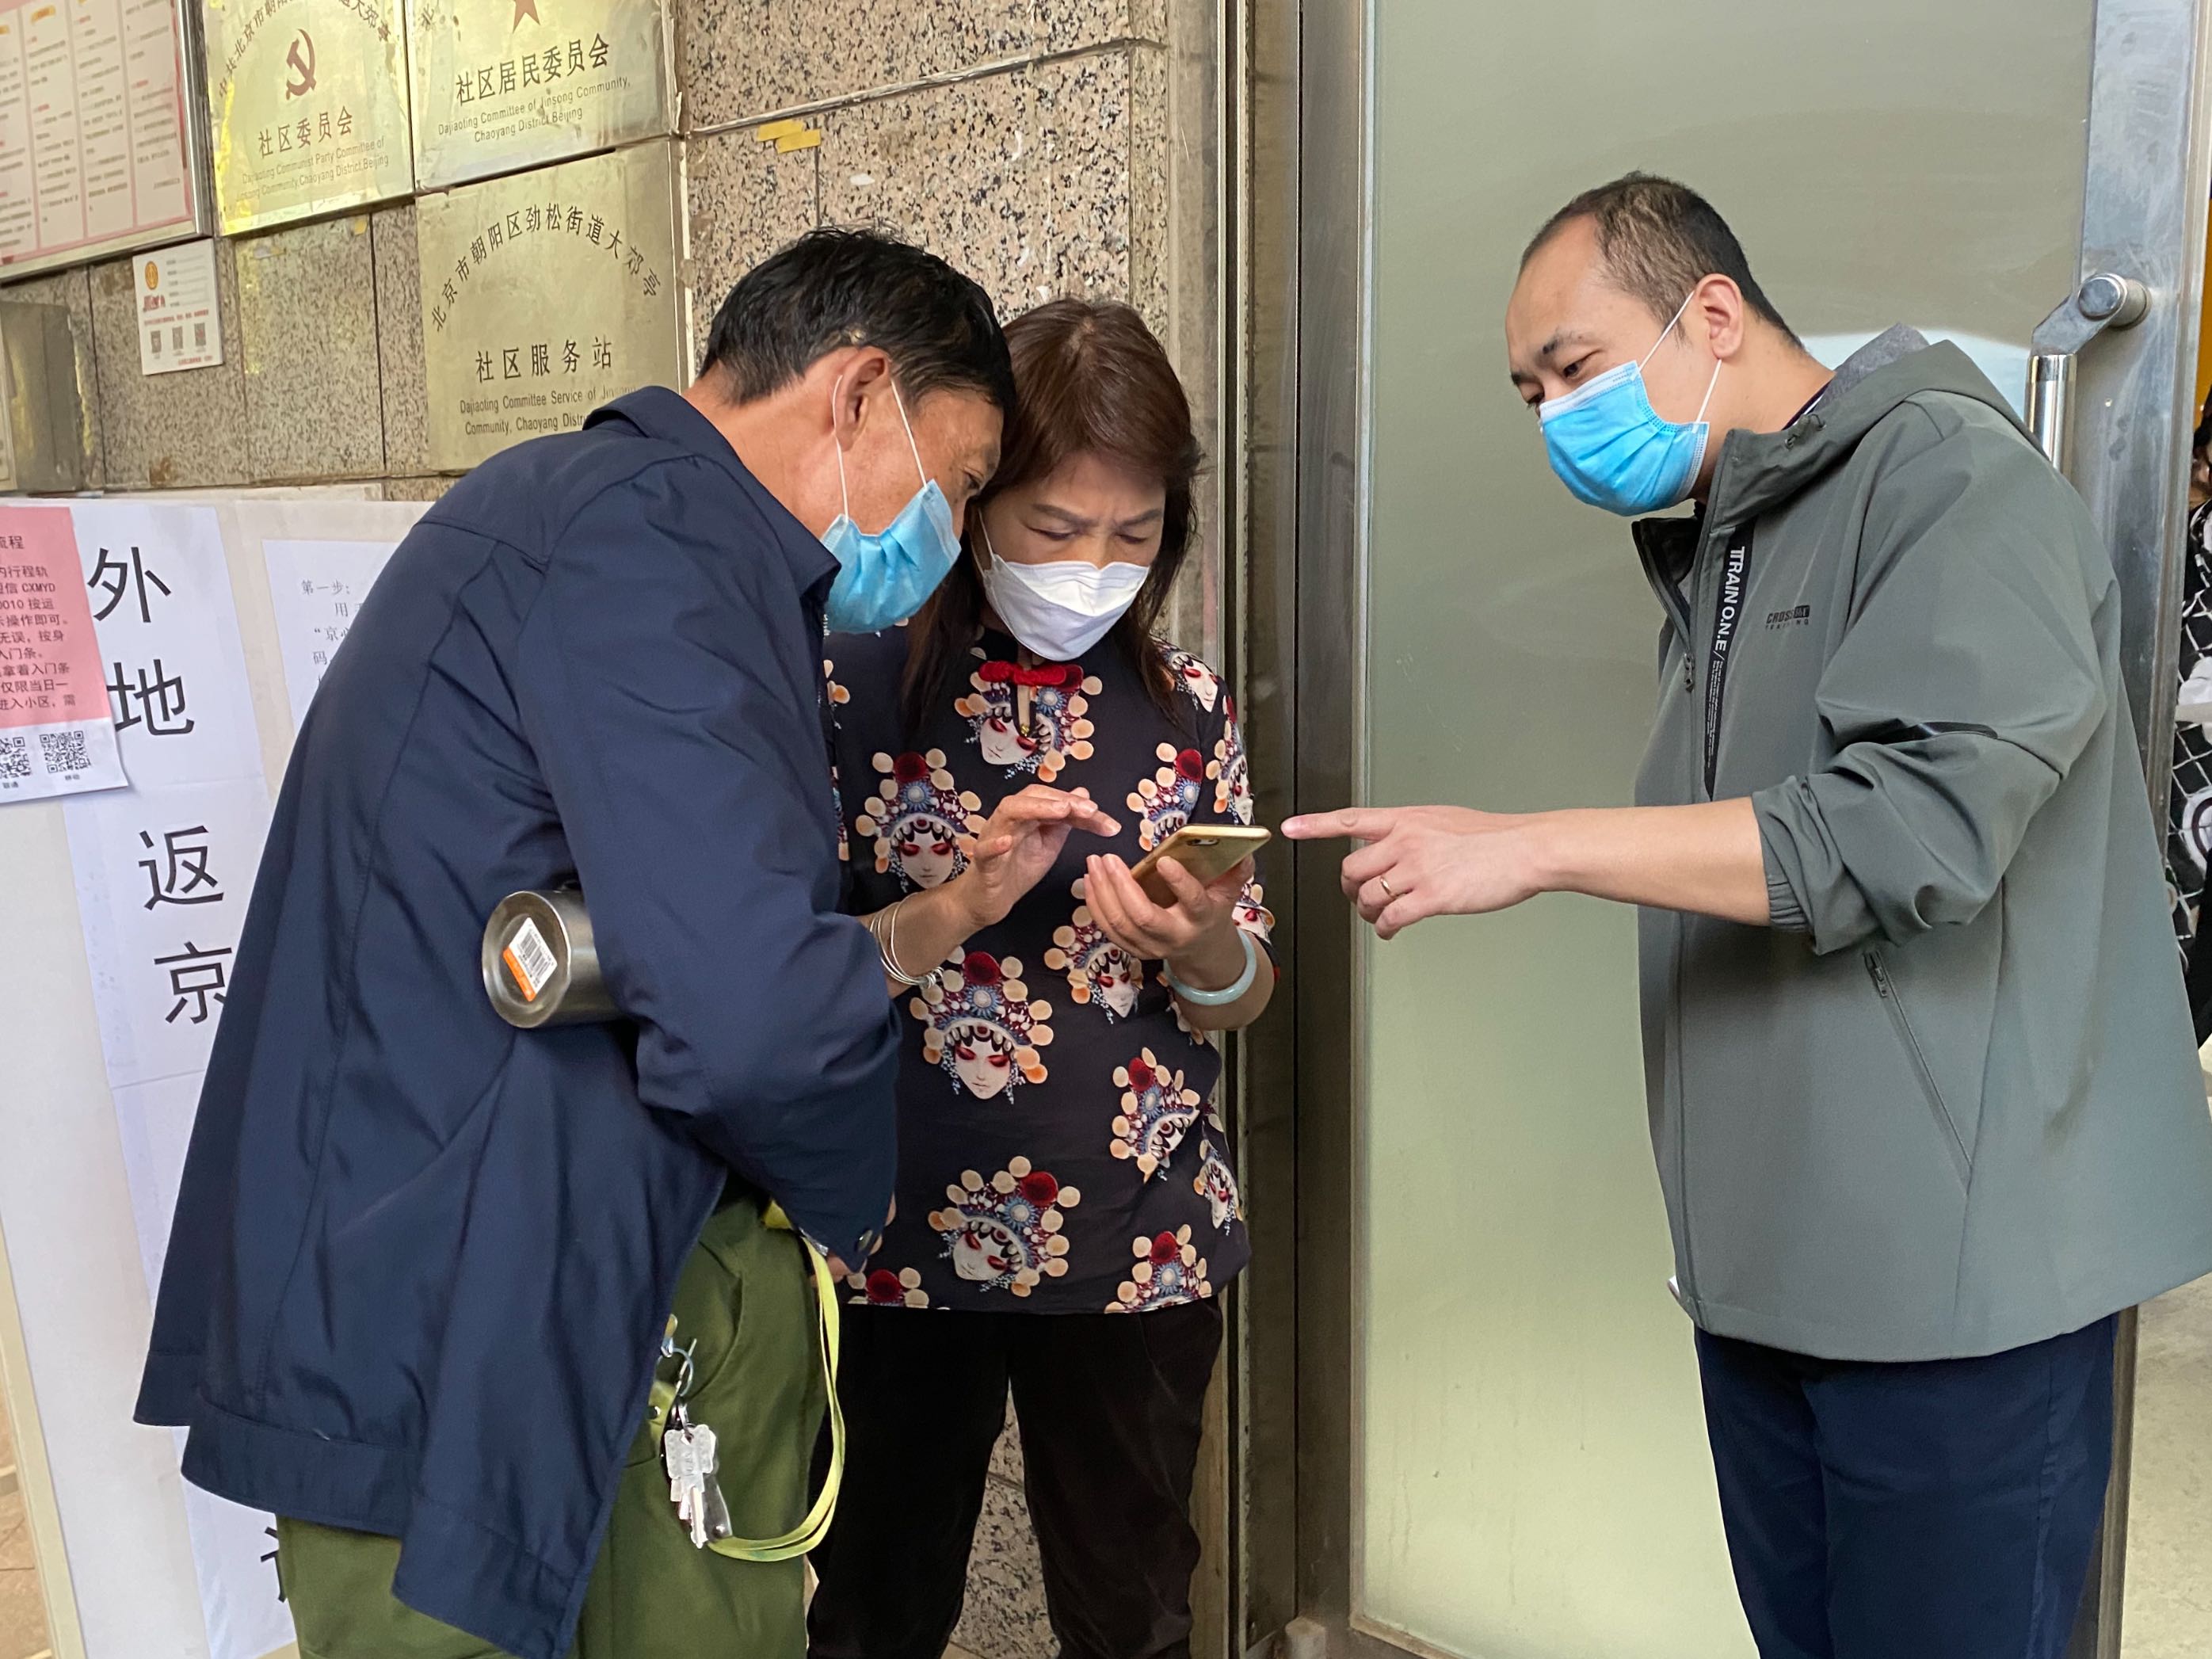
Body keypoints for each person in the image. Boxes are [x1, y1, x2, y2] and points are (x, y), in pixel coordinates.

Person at [1288, 174, 2212, 1657]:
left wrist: (1535, 848)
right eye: (1530, 394)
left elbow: (1913, 828)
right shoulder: (1729, 539)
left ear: (1712, 312)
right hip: (1773, 1279)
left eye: (1574, 368)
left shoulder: (1947, 479)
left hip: (1949, 1299)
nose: (1555, 419)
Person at [132, 228, 1014, 1659]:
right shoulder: (663, 543)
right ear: (859, 395)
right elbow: (749, 1017)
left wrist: (915, 918)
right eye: (959, 484)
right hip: (473, 1292)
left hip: (412, 1260)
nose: (947, 538)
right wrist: (847, 1204)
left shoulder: (568, 505)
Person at [806, 299, 1275, 1659]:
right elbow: (786, 972)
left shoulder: (1188, 709)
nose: (1092, 567)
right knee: (872, 1613)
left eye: (1132, 534)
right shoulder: (853, 689)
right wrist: (956, 904)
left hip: (1139, 1243)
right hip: (890, 1242)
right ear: (975, 500)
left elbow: (1243, 988)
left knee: (1135, 1618)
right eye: (1055, 528)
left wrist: (1198, 943)